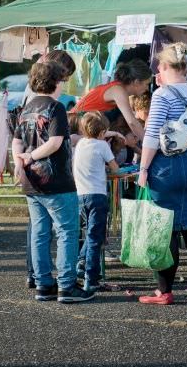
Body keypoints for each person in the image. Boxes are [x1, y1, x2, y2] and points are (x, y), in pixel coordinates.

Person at [137, 43, 187, 305]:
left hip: (167, 167)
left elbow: (151, 135)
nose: (157, 69)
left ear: (167, 67)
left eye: (159, 65)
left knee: (165, 229)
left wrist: (144, 168)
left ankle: (165, 291)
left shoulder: (161, 96)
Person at [12, 61, 94, 303]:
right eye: (62, 81)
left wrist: (20, 161)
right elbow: (55, 142)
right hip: (55, 180)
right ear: (56, 82)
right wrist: (30, 156)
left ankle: (44, 284)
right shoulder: (55, 107)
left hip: (32, 182)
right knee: (67, 231)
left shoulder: (27, 108)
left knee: (40, 233)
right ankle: (67, 286)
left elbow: (17, 140)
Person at [73, 111, 119, 292]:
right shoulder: (101, 145)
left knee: (89, 235)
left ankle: (81, 264)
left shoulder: (80, 144)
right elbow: (115, 169)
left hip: (80, 195)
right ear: (102, 133)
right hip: (97, 196)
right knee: (95, 238)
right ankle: (90, 278)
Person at [72, 59, 152, 140]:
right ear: (136, 82)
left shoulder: (118, 87)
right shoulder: (119, 91)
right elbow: (132, 122)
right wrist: (149, 144)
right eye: (147, 84)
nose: (147, 88)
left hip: (80, 126)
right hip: (74, 126)